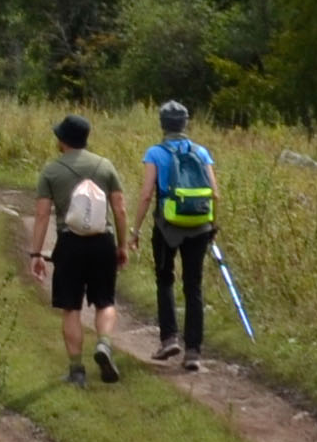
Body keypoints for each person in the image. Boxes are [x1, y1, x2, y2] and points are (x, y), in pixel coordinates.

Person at [32, 111, 128, 383]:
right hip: (102, 241)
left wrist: (36, 253)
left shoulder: (51, 170)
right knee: (105, 301)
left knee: (71, 308)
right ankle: (104, 344)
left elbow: (41, 215)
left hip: (70, 243)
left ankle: (76, 371)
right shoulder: (105, 166)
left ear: (62, 140)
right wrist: (122, 246)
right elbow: (119, 210)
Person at [142, 99, 219, 369]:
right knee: (193, 285)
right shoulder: (201, 153)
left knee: (165, 280)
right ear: (186, 123)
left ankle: (169, 339)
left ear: (162, 124)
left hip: (167, 227)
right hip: (200, 226)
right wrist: (212, 225)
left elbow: (146, 194)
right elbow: (215, 193)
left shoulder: (155, 153)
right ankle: (194, 352)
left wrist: (134, 229)